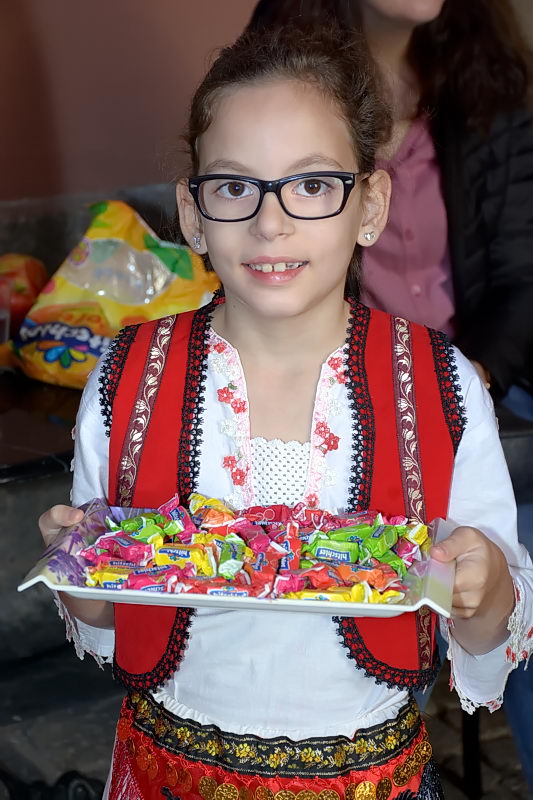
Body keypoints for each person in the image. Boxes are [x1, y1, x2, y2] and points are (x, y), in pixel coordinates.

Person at [39, 24, 533, 800]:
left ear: (369, 204)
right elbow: (103, 618)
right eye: (235, 187)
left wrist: (484, 586)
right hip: (167, 776)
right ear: (193, 213)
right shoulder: (127, 377)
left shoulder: (437, 384)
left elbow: (483, 627)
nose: (270, 223)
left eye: (311, 185)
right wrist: (80, 569)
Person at [248, 0, 533, 789]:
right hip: (347, 393)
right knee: (370, 552)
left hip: (487, 381)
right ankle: (363, 754)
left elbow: (522, 273)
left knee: (514, 558)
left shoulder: (485, 79)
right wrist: (376, 390)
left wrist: (469, 379)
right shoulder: (282, 87)